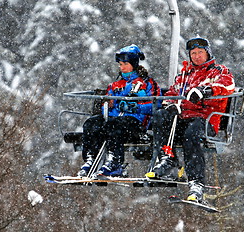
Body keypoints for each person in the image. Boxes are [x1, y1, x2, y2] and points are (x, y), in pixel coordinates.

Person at [146, 37, 235, 203]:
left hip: (206, 119)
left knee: (192, 132)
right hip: (184, 117)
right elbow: (173, 92)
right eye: (193, 53)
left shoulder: (218, 71)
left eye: (200, 52)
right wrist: (171, 105)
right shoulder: (185, 74)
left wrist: (205, 91)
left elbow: (227, 86)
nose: (197, 56)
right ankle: (168, 160)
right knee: (160, 116)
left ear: (208, 53)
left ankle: (196, 182)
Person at [77, 44, 161, 177]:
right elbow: (109, 102)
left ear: (133, 64)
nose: (122, 68)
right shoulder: (116, 85)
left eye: (125, 64)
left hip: (136, 122)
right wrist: (107, 105)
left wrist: (136, 107)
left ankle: (115, 162)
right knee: (91, 123)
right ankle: (90, 158)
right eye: (120, 64)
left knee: (114, 125)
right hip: (115, 119)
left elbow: (156, 105)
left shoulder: (148, 83)